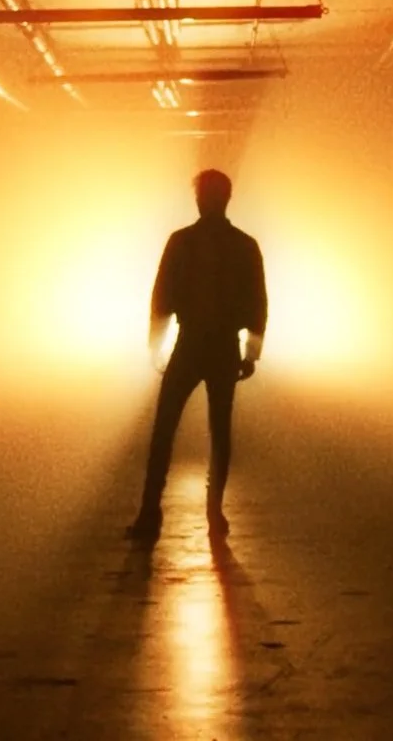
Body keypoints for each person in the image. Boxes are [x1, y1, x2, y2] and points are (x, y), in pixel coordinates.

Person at [127, 169, 268, 540]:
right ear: (228, 198)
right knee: (220, 432)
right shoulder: (245, 245)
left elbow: (162, 296)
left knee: (164, 429)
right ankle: (214, 514)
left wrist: (155, 344)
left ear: (199, 198)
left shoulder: (181, 242)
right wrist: (251, 352)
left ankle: (149, 513)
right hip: (224, 348)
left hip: (188, 345)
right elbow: (257, 302)